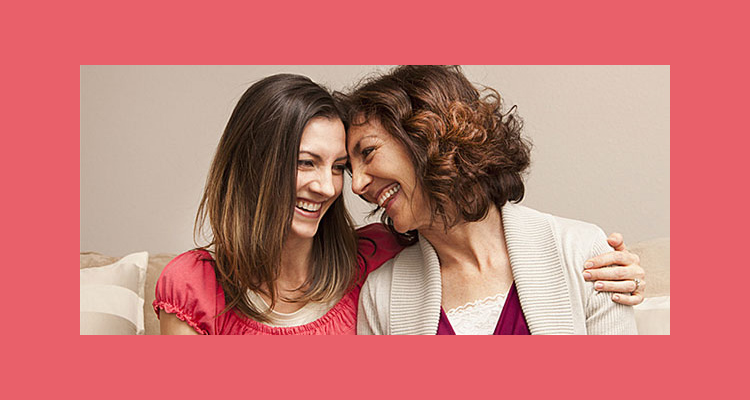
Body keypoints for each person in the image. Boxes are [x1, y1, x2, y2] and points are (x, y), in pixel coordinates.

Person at [155, 71, 643, 335]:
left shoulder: (583, 255)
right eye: (308, 163)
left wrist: (614, 263)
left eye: (356, 159)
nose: (348, 187)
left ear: (428, 140)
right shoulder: (381, 282)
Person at [345, 65, 643, 334]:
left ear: (427, 134)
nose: (357, 185)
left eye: (368, 152)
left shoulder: (584, 254)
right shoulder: (381, 295)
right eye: (348, 169)